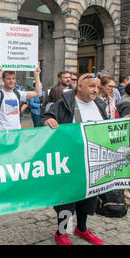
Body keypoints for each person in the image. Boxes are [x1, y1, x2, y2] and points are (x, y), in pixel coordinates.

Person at [43, 73, 107, 245]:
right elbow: (46, 117)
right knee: (67, 200)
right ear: (80, 86)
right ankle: (62, 232)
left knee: (89, 196)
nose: (96, 90)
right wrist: (48, 120)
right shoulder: (64, 103)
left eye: (97, 86)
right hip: (69, 162)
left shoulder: (99, 104)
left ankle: (82, 228)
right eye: (92, 86)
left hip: (92, 162)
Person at [0, 65, 42, 131]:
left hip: (16, 131)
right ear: (3, 80)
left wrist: (37, 75)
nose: (11, 81)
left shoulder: (18, 93)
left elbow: (38, 93)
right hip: (2, 131)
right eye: (8, 78)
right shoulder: (0, 94)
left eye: (13, 78)